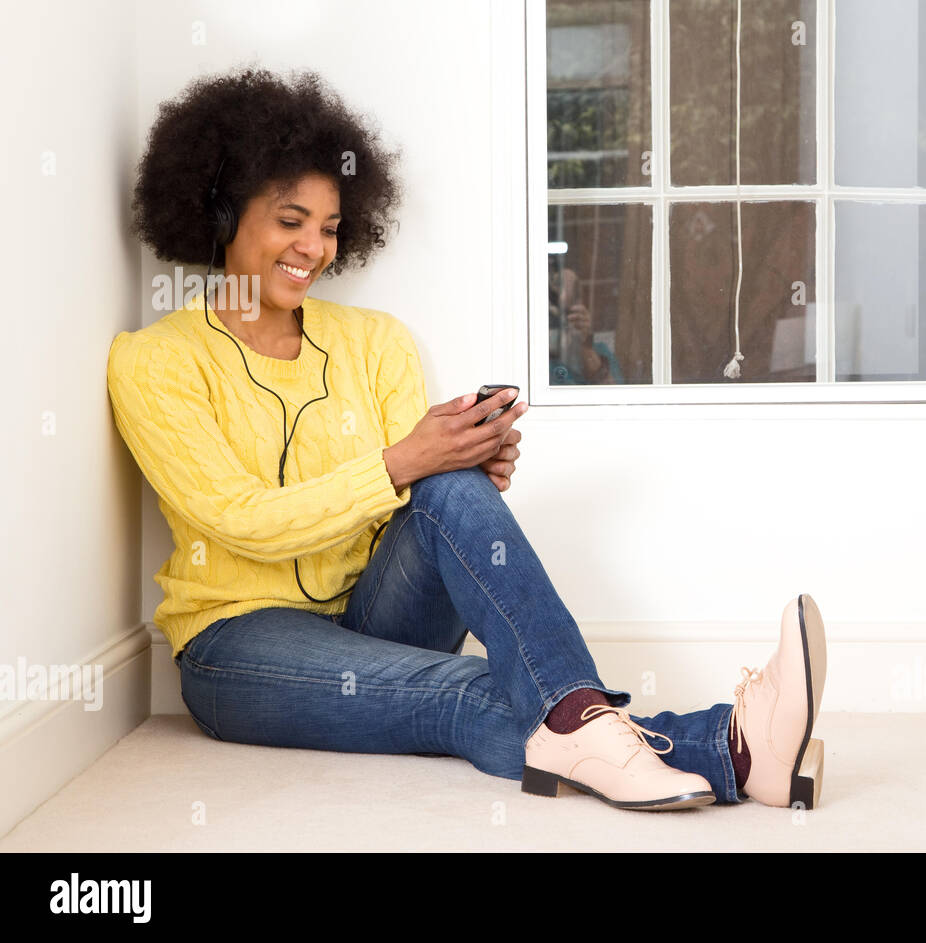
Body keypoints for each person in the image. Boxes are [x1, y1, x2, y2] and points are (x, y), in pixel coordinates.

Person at [107, 66, 827, 811]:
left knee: (450, 488)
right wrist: (401, 461)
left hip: (375, 616)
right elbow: (238, 517)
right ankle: (731, 747)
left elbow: (406, 506)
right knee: (469, 688)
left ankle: (594, 723)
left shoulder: (373, 342)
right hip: (239, 647)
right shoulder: (154, 360)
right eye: (291, 222)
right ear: (222, 211)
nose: (314, 248)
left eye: (328, 228)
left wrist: (460, 463)